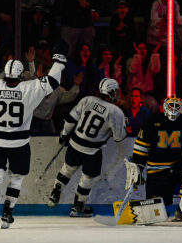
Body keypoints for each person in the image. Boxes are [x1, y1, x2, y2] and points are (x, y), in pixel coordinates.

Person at [0, 38, 68, 229]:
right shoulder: (30, 88)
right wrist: (59, 59)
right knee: (16, 177)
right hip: (19, 143)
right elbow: (52, 81)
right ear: (20, 75)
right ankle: (7, 212)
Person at [125, 95, 182, 225]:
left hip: (180, 164)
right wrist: (139, 166)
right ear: (164, 106)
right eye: (171, 105)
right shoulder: (152, 120)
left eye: (177, 106)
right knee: (155, 211)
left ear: (181, 108)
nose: (174, 108)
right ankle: (177, 209)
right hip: (157, 168)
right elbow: (142, 146)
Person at [47, 78, 127, 217]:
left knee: (67, 169)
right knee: (87, 178)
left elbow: (71, 120)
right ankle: (78, 205)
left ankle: (55, 192)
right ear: (111, 91)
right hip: (92, 150)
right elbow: (119, 137)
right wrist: (123, 124)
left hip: (75, 142)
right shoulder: (116, 112)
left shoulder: (87, 100)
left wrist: (63, 135)